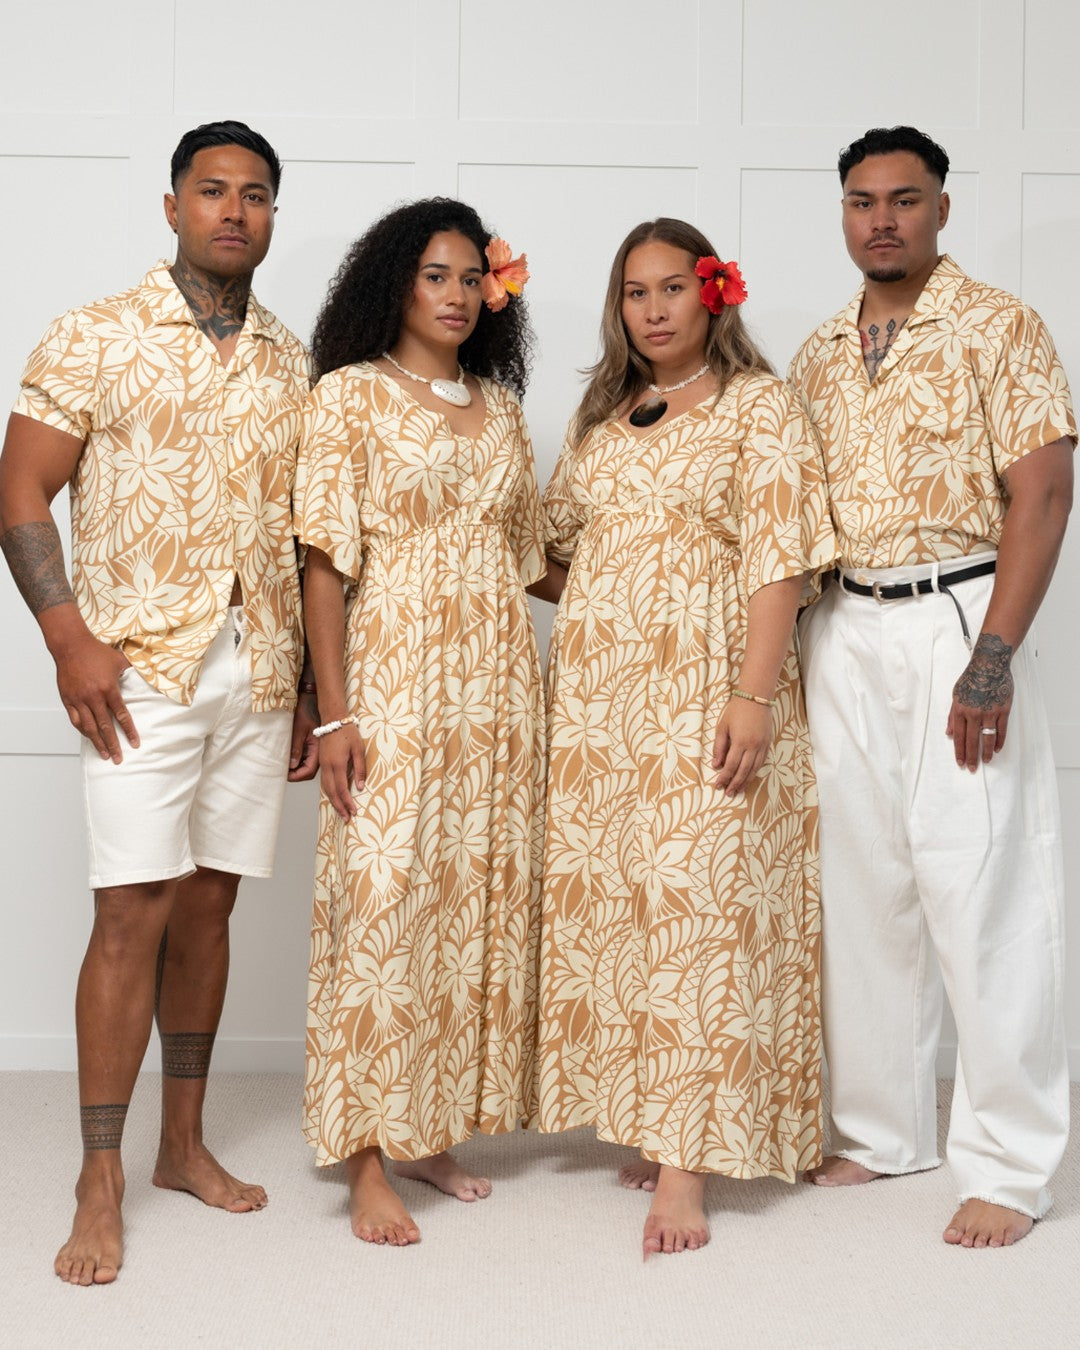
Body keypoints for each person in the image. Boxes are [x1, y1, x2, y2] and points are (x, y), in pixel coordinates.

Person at [0, 120, 315, 1285]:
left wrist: (307, 686)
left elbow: (302, 531)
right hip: (137, 671)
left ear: (273, 216)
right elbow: (20, 489)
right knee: (130, 911)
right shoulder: (95, 334)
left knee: (211, 906)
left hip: (258, 669)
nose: (235, 210)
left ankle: (182, 1144)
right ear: (173, 205)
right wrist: (68, 636)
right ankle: (99, 1174)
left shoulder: (294, 360)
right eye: (213, 190)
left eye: (257, 195)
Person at [789, 125, 1074, 1248]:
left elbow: (1043, 494)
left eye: (905, 200)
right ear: (844, 213)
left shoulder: (1001, 324)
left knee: (982, 885)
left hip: (958, 615)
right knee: (863, 886)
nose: (883, 220)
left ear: (943, 209)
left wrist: (993, 653)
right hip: (841, 624)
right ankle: (884, 1127)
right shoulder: (817, 354)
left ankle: (1008, 1162)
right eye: (862, 201)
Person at [531, 218, 836, 1257]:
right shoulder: (608, 418)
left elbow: (781, 561)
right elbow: (555, 552)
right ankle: (659, 1121)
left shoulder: (761, 407)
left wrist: (751, 693)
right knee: (629, 911)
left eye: (672, 287)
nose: (653, 308)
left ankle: (685, 1171)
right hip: (603, 707)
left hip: (712, 690)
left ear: (713, 294)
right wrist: (619, 607)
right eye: (633, 293)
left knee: (703, 909)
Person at [297, 198, 545, 1247]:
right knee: (383, 899)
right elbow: (322, 563)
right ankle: (363, 1158)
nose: (453, 295)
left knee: (463, 903)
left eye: (468, 278)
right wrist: (334, 712)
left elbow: (536, 559)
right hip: (393, 673)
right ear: (396, 282)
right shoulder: (348, 399)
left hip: (499, 688)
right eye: (434, 275)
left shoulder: (503, 409)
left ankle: (427, 1127)